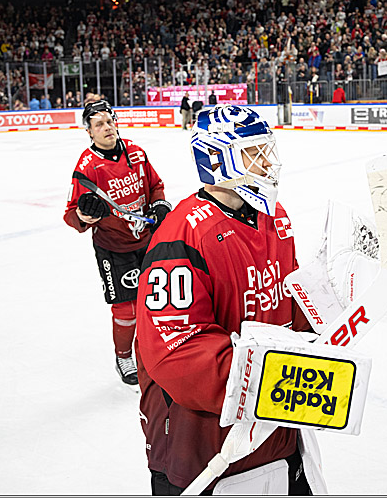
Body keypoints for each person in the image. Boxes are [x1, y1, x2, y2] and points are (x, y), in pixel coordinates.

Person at [136, 105, 316, 494]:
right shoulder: (180, 238)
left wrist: (322, 319)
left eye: (266, 149)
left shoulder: (274, 217)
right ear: (218, 159)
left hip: (275, 432)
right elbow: (177, 353)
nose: (268, 161)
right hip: (204, 449)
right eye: (255, 152)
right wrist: (274, 382)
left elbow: (289, 301)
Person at [63, 99, 171, 386]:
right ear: (89, 132)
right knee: (126, 309)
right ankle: (124, 356)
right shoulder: (87, 168)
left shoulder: (136, 152)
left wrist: (159, 205)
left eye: (109, 122)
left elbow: (155, 186)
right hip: (113, 248)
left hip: (148, 241)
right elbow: (72, 216)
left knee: (157, 301)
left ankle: (154, 350)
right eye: (99, 124)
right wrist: (85, 213)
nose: (107, 128)